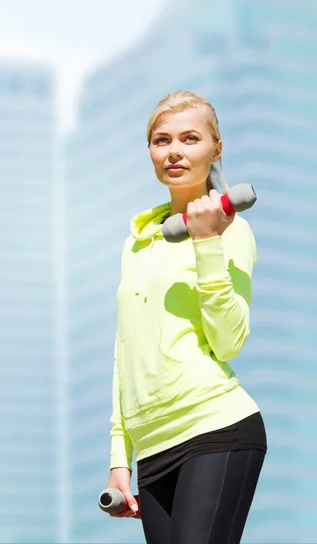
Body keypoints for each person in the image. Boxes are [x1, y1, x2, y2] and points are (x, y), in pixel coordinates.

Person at [104, 90, 267, 544]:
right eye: (161, 140)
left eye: (190, 138)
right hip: (153, 449)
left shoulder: (231, 230)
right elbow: (126, 351)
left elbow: (230, 341)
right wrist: (121, 459)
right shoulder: (139, 242)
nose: (174, 150)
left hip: (214, 428)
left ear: (215, 150)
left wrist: (207, 242)